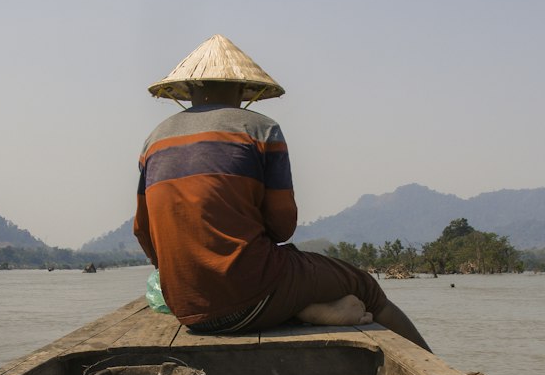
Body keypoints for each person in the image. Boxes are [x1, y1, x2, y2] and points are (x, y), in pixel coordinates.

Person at [133, 35, 433, 348]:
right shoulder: (260, 130)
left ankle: (309, 309)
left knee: (268, 283)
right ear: (242, 89)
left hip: (187, 309)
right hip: (252, 295)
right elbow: (282, 226)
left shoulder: (154, 140)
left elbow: (143, 232)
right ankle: (440, 371)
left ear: (189, 89)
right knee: (366, 287)